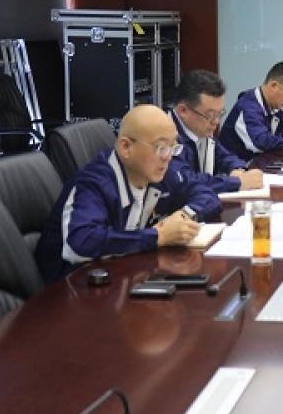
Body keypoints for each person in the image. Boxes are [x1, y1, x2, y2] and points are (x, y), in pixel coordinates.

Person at [35, 105, 221, 283]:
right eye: (161, 147)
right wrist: (159, 236)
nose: (168, 157)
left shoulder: (158, 171)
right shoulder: (94, 183)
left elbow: (207, 195)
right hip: (71, 289)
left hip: (123, 276)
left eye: (173, 148)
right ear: (126, 147)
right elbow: (82, 243)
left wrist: (184, 217)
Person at [171, 69, 264, 193]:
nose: (216, 122)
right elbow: (185, 181)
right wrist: (237, 182)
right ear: (183, 111)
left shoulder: (200, 131)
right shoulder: (165, 136)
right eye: (210, 115)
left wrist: (237, 169)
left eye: (219, 114)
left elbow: (224, 155)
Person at [218, 61, 283, 163]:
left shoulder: (270, 105)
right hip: (233, 168)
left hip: (255, 165)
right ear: (274, 86)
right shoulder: (248, 107)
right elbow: (261, 142)